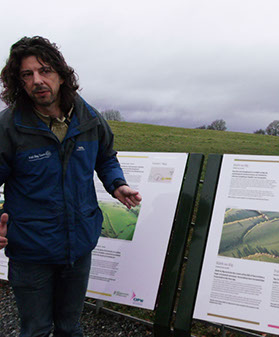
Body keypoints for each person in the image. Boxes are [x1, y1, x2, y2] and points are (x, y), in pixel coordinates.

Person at [0, 36, 142, 337]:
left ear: (62, 75)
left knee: (70, 327)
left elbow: (105, 157)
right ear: (19, 82)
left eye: (45, 70)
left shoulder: (88, 118)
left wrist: (117, 184)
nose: (38, 80)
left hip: (78, 248)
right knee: (35, 329)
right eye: (27, 75)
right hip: (30, 250)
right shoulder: (9, 127)